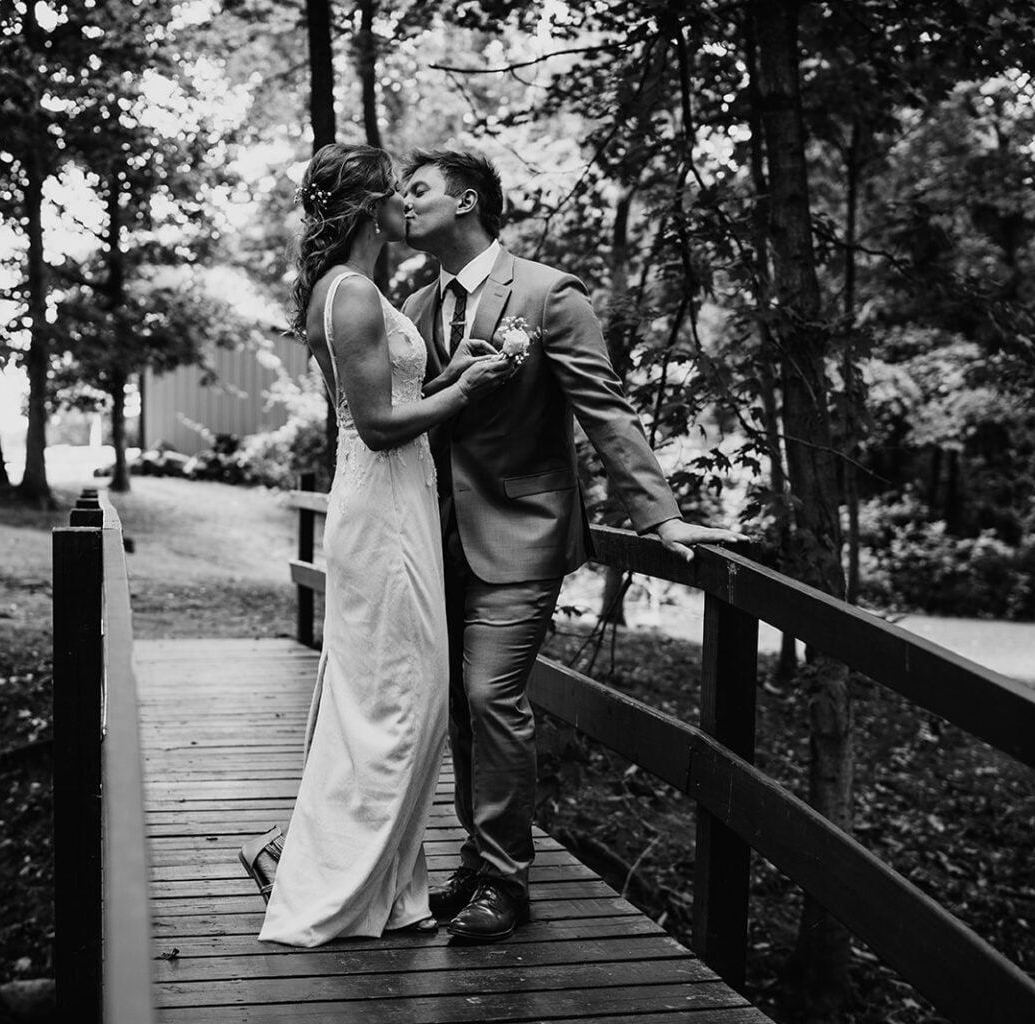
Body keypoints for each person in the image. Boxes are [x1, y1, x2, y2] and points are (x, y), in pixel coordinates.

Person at [400, 148, 747, 943]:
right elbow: (413, 412)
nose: (404, 204)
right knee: (457, 704)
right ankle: (479, 860)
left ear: (467, 202)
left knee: (492, 695)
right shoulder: (416, 305)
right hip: (432, 534)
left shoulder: (549, 293)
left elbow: (607, 410)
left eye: (418, 191)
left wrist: (660, 517)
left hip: (521, 530)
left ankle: (508, 885)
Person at [247, 143, 516, 948]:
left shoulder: (358, 288)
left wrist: (449, 373)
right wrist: (464, 390)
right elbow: (379, 426)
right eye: (395, 189)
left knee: (398, 693)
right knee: (400, 700)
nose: (407, 199)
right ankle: (333, 877)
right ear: (369, 207)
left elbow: (399, 398)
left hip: (396, 500)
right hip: (386, 506)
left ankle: (385, 885)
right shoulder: (354, 292)